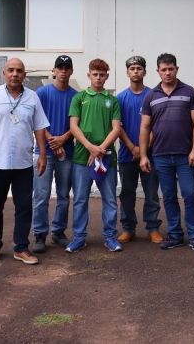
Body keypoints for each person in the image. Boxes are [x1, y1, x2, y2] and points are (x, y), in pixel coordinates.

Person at [0, 58, 49, 265]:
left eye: (19, 71)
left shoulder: (32, 98)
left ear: (24, 75)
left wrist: (42, 154)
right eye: (11, 70)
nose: (15, 74)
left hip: (23, 163)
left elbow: (39, 127)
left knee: (24, 207)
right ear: (4, 73)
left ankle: (21, 248)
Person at [139, 53, 194, 251]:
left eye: (171, 69)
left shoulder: (189, 92)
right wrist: (143, 155)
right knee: (168, 196)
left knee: (190, 195)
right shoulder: (151, 96)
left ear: (177, 69)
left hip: (186, 155)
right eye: (164, 69)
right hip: (161, 155)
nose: (167, 73)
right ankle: (175, 235)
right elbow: (145, 127)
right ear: (158, 71)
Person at [66, 59, 123, 253]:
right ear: (89, 75)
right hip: (82, 157)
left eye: (102, 74)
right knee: (80, 199)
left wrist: (100, 150)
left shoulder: (112, 100)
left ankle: (110, 237)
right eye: (95, 74)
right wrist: (90, 147)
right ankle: (79, 237)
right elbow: (74, 126)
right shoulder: (79, 98)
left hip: (107, 157)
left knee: (110, 199)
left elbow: (116, 129)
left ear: (107, 76)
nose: (98, 78)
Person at [115, 56, 164, 245]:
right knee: (127, 193)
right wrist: (131, 147)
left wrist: (143, 150)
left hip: (151, 154)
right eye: (132, 68)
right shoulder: (120, 98)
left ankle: (153, 228)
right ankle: (128, 228)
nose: (135, 71)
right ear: (127, 72)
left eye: (139, 68)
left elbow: (157, 125)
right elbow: (117, 126)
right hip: (126, 154)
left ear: (145, 71)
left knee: (151, 193)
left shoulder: (154, 95)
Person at [32, 55, 78, 253]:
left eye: (67, 68)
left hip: (66, 153)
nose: (63, 71)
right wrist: (53, 140)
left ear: (71, 71)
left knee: (63, 196)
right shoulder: (42, 93)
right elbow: (37, 121)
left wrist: (63, 139)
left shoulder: (77, 96)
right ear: (54, 70)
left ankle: (58, 232)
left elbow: (78, 124)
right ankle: (40, 234)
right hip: (43, 153)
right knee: (41, 196)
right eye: (60, 67)